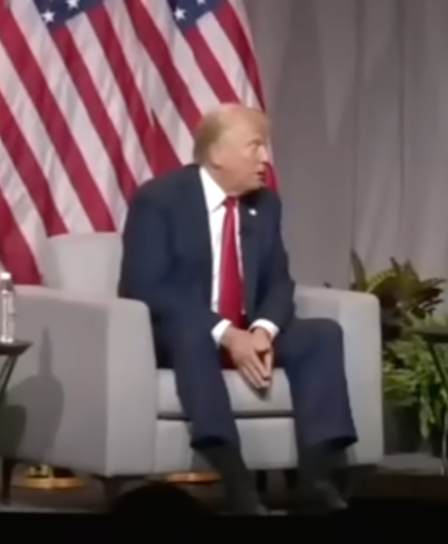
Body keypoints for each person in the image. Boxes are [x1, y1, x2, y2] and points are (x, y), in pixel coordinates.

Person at [118, 104, 357, 514]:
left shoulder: (265, 205)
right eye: (255, 147)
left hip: (246, 329)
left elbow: (280, 282)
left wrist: (262, 331)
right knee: (193, 336)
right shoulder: (159, 199)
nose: (265, 159)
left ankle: (314, 479)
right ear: (217, 154)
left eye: (265, 147)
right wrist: (227, 334)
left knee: (322, 335)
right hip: (177, 332)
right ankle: (236, 478)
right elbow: (146, 286)